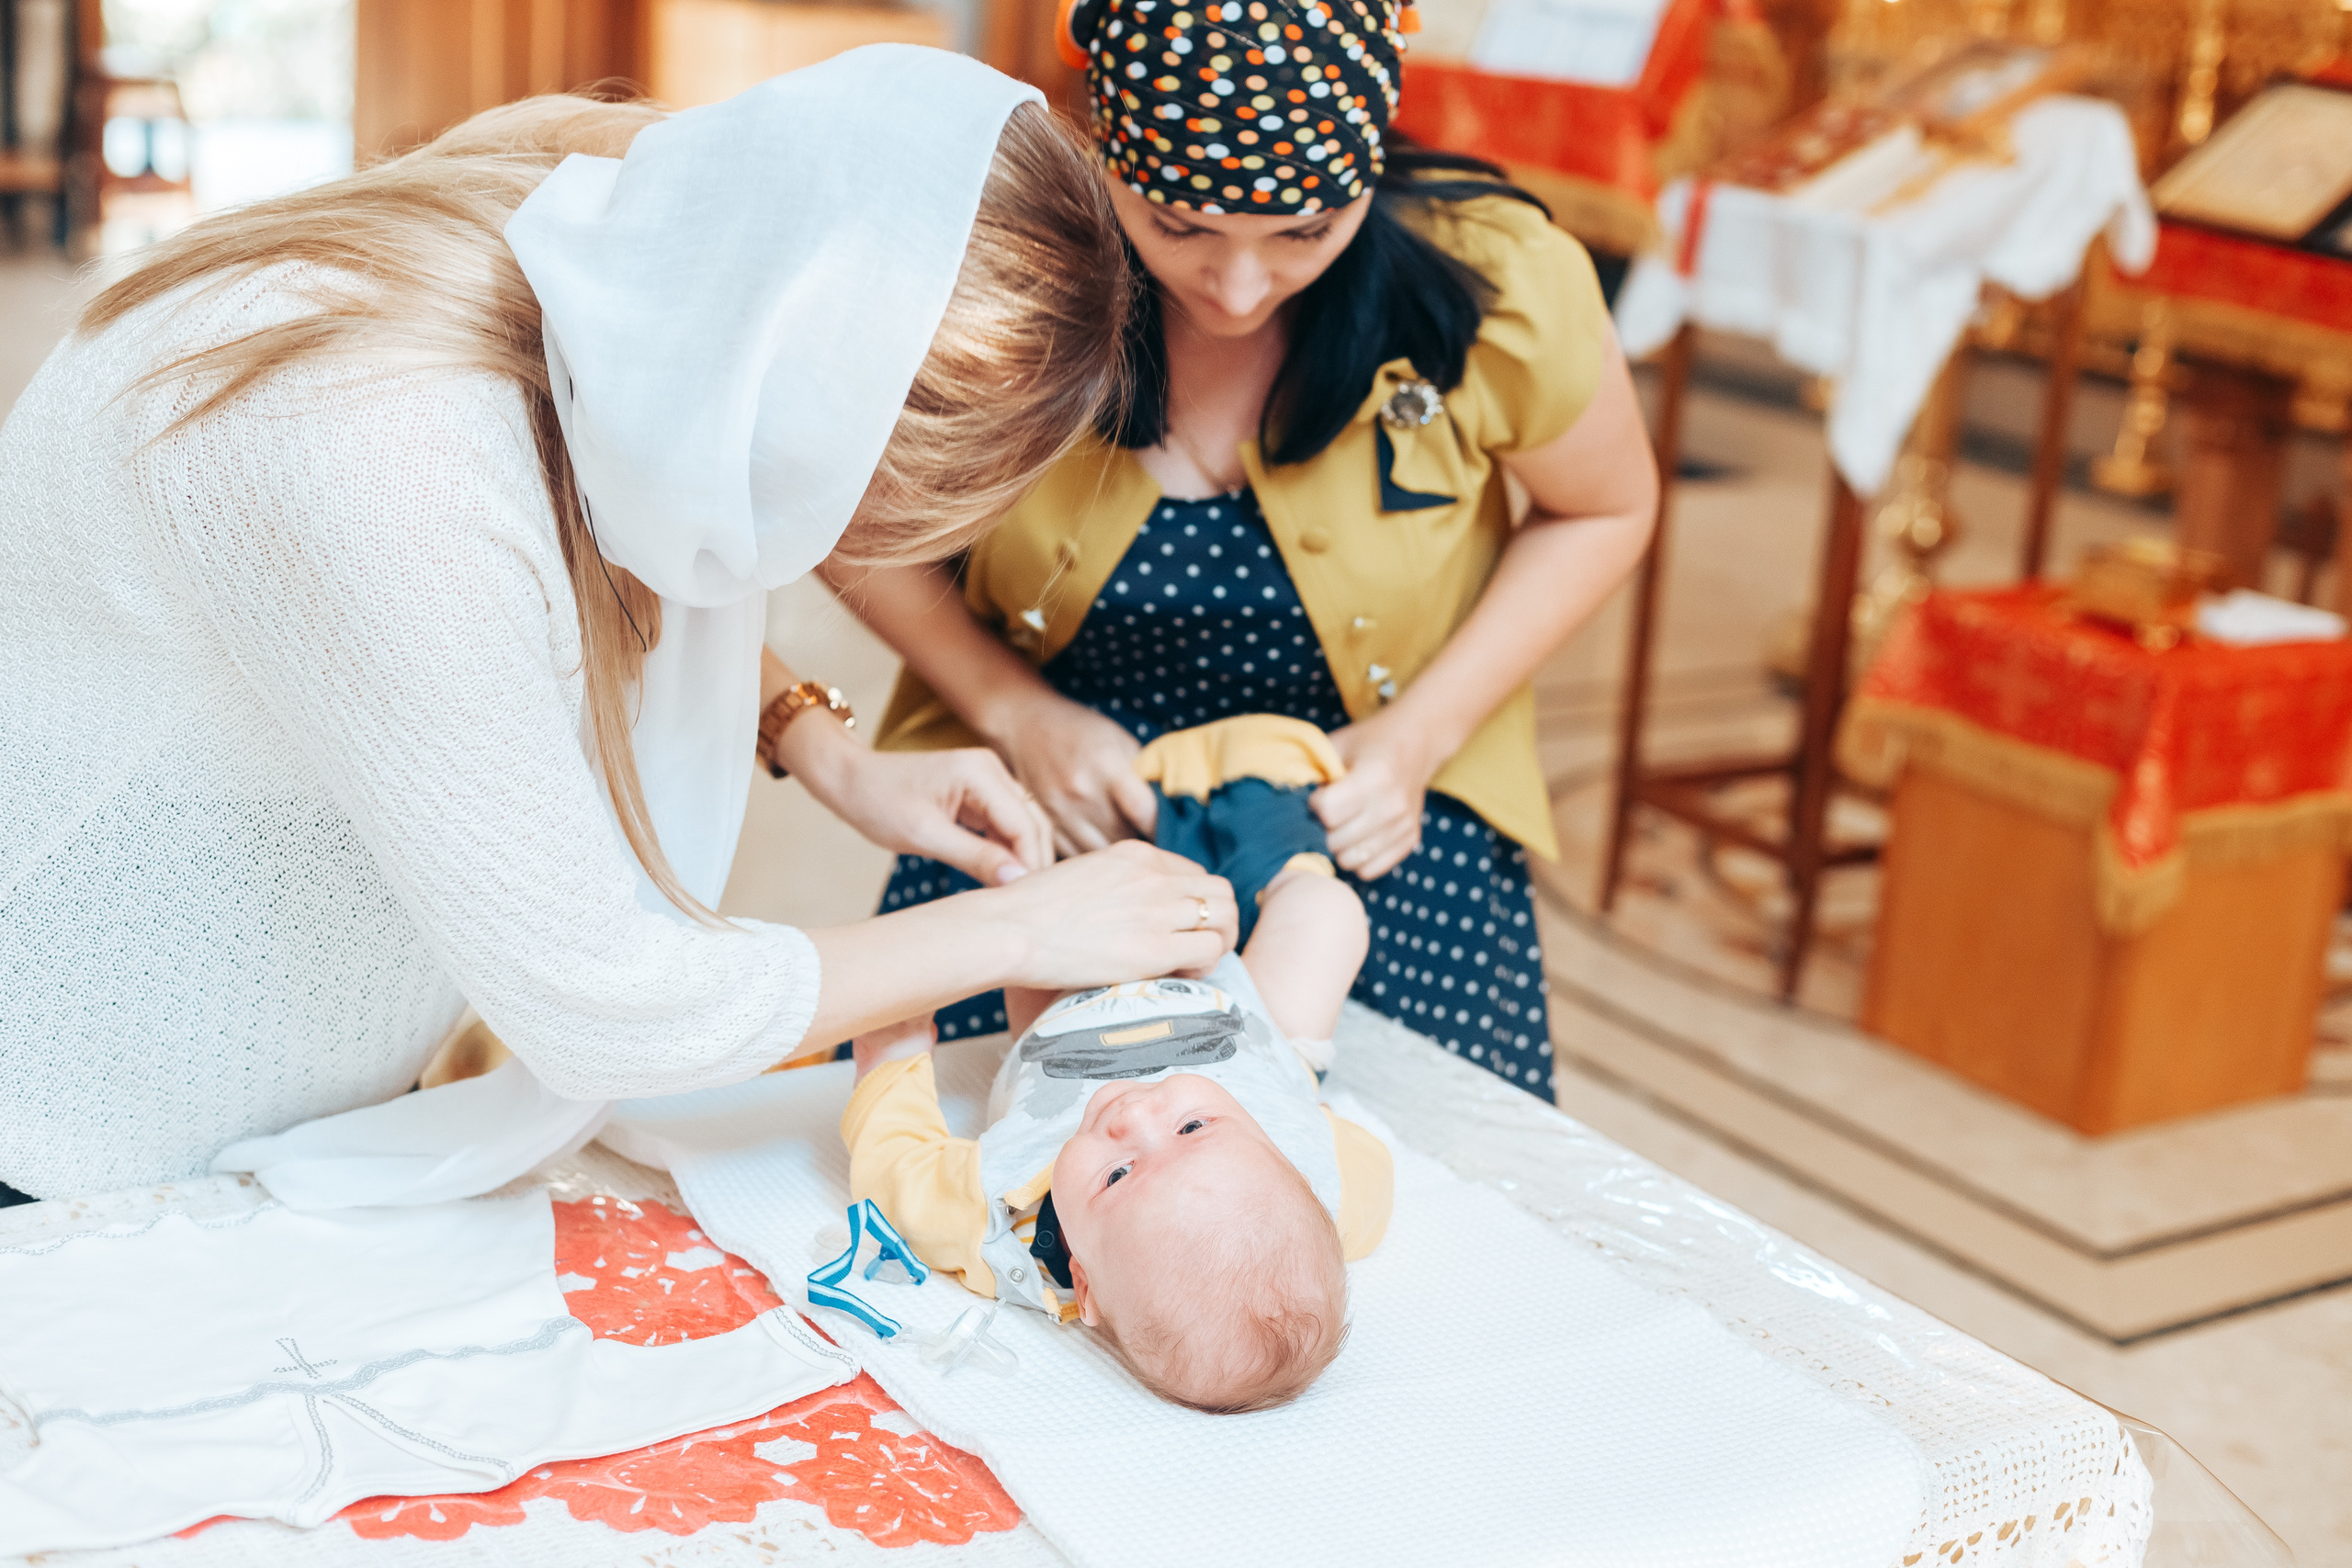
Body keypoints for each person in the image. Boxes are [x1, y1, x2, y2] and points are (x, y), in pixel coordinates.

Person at [0, 48, 1243, 1207]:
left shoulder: (634, 223)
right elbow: (603, 1000)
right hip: (81, 1102)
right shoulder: (380, 454)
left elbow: (562, 568)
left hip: (284, 1012)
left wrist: (822, 744)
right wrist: (1020, 927)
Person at [829, 0, 1659, 1099]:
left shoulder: (1496, 277)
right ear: (1103, 150)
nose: (1236, 288)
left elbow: (1603, 508)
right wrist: (1013, 711)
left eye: (1305, 234)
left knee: (1395, 1192)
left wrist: (1418, 739)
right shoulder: (1001, 271)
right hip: (1063, 792)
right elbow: (839, 517)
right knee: (988, 1157)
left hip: (1372, 814)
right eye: (1180, 229)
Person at [843, 941, 1393, 1413]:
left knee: (1043, 903)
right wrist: (1289, 1095)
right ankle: (1296, 861)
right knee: (1327, 919)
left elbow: (898, 1173)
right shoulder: (1326, 1185)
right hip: (1230, 1008)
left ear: (1084, 1284)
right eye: (1193, 1126)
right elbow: (1370, 1162)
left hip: (1066, 1003)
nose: (1132, 1116)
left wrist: (893, 1055)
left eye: (1117, 1176)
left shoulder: (1001, 1225)